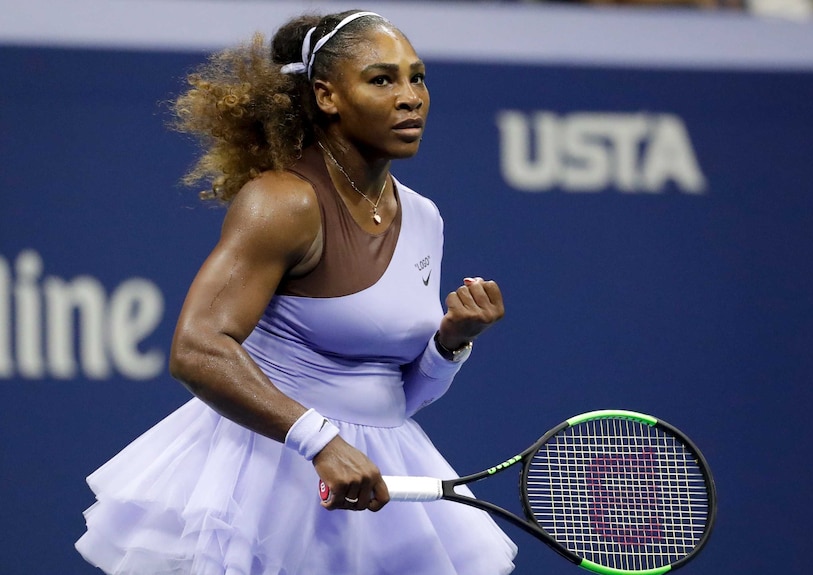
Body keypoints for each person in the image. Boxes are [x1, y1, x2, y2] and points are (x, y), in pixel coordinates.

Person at [75, 9, 517, 575]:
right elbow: (197, 348)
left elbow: (396, 402)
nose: (411, 97)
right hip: (268, 477)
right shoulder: (284, 202)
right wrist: (320, 442)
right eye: (382, 79)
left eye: (418, 77)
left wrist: (451, 344)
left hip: (372, 477)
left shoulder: (425, 217)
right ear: (326, 96)